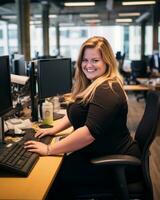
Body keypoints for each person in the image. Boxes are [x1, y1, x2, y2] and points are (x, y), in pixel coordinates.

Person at [24, 36, 141, 199]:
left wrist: (49, 149)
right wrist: (53, 130)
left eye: (95, 60)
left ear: (107, 62)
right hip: (100, 153)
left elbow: (88, 133)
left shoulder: (107, 89)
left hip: (114, 163)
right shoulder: (93, 84)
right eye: (85, 60)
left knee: (50, 181)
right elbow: (78, 113)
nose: (88, 65)